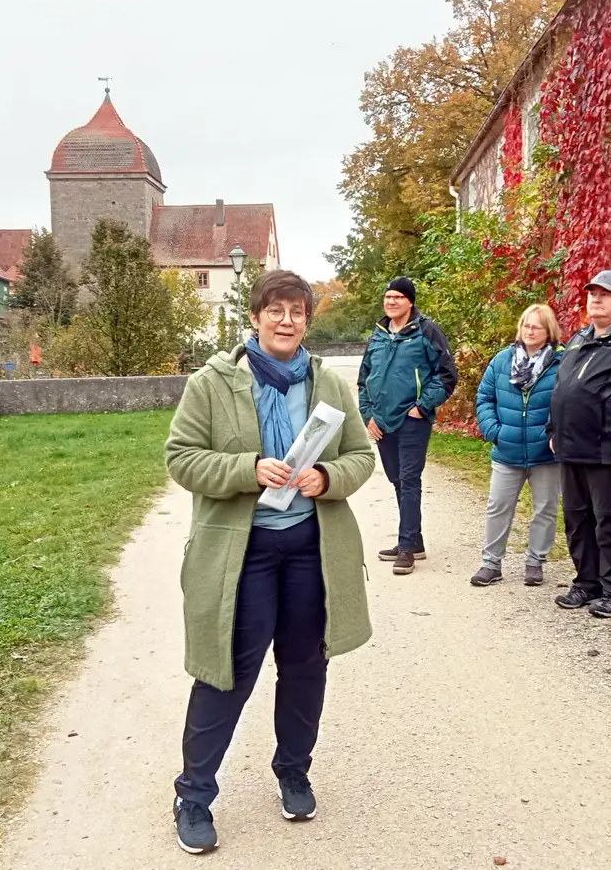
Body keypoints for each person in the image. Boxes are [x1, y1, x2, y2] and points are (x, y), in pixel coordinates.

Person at [164, 270, 378, 855]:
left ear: (308, 320)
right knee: (225, 671)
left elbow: (362, 456)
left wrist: (328, 476)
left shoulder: (329, 384)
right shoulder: (212, 383)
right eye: (276, 310)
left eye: (298, 312)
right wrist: (246, 469)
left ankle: (293, 772)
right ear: (255, 317)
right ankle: (194, 794)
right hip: (244, 551)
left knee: (307, 666)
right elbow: (181, 459)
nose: (287, 321)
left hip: (311, 547)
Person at [549, 270, 611, 617]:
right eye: (593, 293)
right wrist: (551, 430)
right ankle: (586, 583)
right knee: (576, 519)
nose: (596, 299)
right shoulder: (579, 337)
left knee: (609, 520)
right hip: (570, 446)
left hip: (606, 449)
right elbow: (561, 388)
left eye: (606, 294)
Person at [358, 276, 458, 574]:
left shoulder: (426, 331)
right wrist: (368, 416)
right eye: (388, 297)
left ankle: (405, 548)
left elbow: (446, 374)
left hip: (412, 421)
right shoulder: (378, 335)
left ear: (410, 301)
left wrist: (422, 406)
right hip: (382, 422)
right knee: (397, 480)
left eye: (398, 297)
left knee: (409, 479)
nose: (391, 302)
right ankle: (415, 541)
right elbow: (364, 379)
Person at [472, 304, 563, 587]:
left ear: (549, 331)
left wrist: (555, 434)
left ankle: (535, 562)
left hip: (545, 453)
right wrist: (493, 431)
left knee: (545, 509)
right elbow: (485, 398)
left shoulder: (562, 363)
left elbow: (569, 402)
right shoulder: (502, 361)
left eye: (537, 326)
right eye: (526, 324)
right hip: (506, 449)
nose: (530, 330)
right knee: (498, 506)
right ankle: (491, 563)